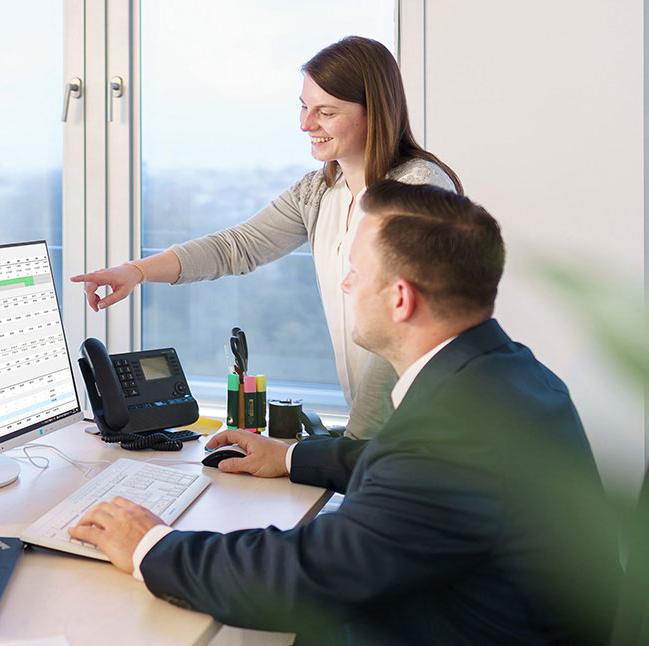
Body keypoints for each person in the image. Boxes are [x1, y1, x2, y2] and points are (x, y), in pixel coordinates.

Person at [69, 182, 620, 645]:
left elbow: (307, 577)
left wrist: (151, 544)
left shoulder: (449, 432)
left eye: (354, 268)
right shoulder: (501, 372)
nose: (345, 282)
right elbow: (416, 473)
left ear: (400, 299)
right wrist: (290, 456)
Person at [71, 36, 463, 439]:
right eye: (304, 106)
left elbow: (405, 323)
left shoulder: (420, 189)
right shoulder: (318, 192)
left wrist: (348, 445)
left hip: (422, 428)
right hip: (375, 431)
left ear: (375, 113)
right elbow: (235, 247)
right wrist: (135, 272)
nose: (306, 124)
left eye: (325, 112)